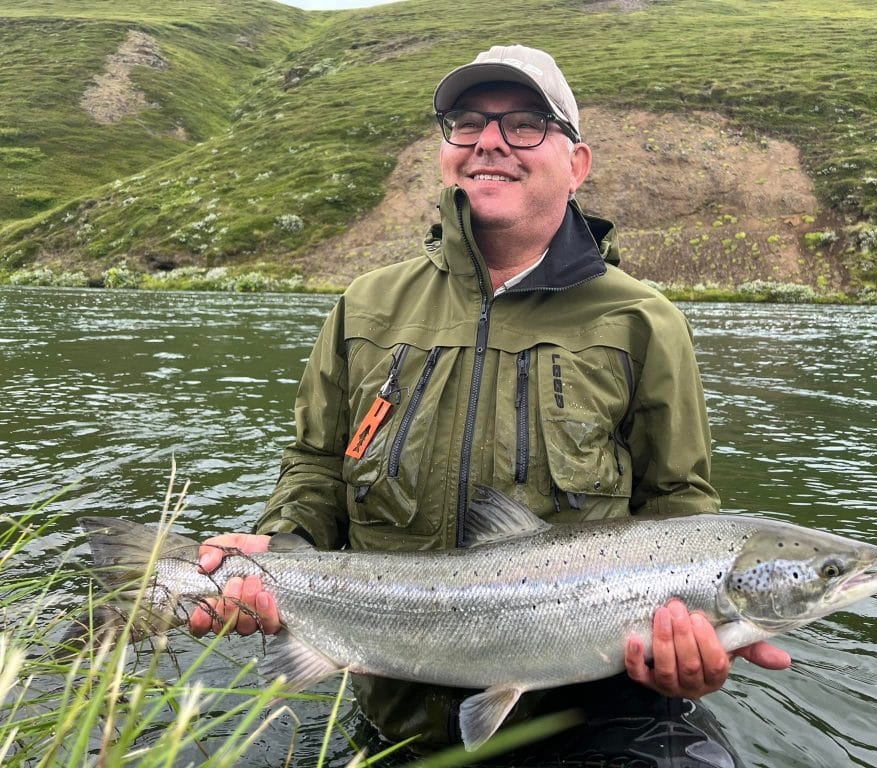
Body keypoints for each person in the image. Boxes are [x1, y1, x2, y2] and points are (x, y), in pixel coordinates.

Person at [190, 44, 790, 766]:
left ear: (578, 163)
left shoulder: (644, 320)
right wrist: (278, 545)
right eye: (467, 122)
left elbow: (680, 509)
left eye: (527, 123)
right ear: (447, 152)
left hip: (596, 716)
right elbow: (317, 468)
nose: (491, 142)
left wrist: (686, 643)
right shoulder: (366, 305)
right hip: (398, 707)